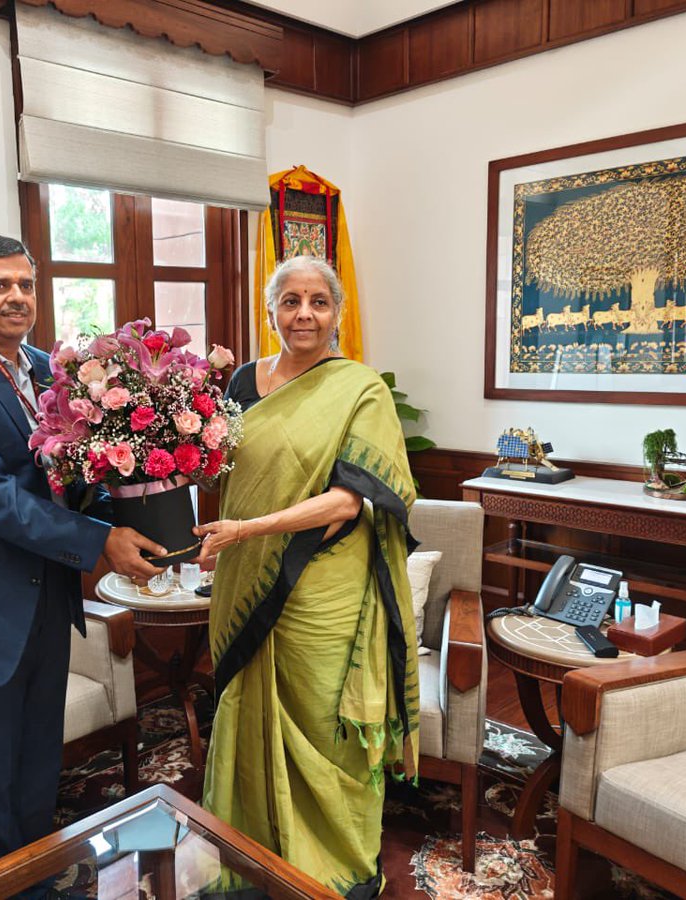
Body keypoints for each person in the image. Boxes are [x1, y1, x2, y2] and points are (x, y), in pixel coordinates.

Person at [0, 234, 165, 874]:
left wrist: (138, 510)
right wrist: (97, 541)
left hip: (47, 593)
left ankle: (37, 878)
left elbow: (72, 479)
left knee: (42, 760)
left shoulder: (48, 370)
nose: (15, 296)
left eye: (25, 284)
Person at [193, 255, 419, 898]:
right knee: (245, 706)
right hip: (245, 571)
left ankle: (333, 860)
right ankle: (251, 849)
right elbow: (229, 472)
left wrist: (247, 530)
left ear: (337, 313)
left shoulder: (361, 389)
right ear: (271, 311)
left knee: (323, 721)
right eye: (290, 301)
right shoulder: (242, 382)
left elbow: (348, 501)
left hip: (324, 581)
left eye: (318, 302)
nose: (304, 314)